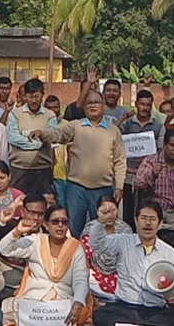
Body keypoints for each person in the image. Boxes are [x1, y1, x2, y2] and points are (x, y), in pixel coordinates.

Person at [27, 90, 126, 237]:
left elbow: (120, 160)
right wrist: (42, 134)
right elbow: (57, 133)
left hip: (103, 189)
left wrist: (119, 186)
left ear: (103, 105)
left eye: (96, 102)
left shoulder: (113, 131)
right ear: (84, 107)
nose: (93, 105)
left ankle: (96, 260)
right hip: (76, 188)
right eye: (89, 103)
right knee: (72, 229)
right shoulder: (75, 126)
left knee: (101, 231)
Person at [87, 200, 174, 326]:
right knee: (100, 315)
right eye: (143, 218)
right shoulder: (123, 241)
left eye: (152, 219)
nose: (147, 223)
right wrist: (101, 221)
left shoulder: (171, 253)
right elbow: (96, 245)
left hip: (155, 309)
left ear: (160, 224)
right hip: (125, 307)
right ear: (136, 221)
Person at [0, 205, 89, 326]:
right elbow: (5, 250)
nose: (60, 225)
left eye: (64, 221)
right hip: (35, 298)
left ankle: (39, 325)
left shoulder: (76, 247)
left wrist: (77, 304)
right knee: (12, 308)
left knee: (81, 313)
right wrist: (17, 232)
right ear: (46, 224)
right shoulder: (35, 241)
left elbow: (81, 280)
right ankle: (47, 325)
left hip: (62, 300)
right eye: (55, 221)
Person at [133, 130, 174, 251]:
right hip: (156, 208)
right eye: (172, 145)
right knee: (145, 222)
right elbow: (138, 183)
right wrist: (152, 175)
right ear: (164, 145)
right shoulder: (151, 160)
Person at [0, 192, 50, 297]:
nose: (36, 217)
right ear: (22, 212)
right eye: (32, 213)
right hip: (3, 288)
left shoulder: (47, 236)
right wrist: (0, 223)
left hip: (33, 290)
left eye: (40, 214)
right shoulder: (9, 227)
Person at [119, 88, 165, 225]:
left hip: (149, 176)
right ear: (136, 104)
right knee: (128, 212)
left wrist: (151, 165)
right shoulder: (126, 124)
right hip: (128, 175)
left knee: (147, 210)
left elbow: (161, 151)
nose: (145, 108)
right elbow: (115, 142)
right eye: (142, 104)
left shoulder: (158, 126)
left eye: (148, 105)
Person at [6, 78, 59, 197]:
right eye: (30, 97)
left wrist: (25, 135)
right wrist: (37, 144)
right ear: (25, 96)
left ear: (42, 95)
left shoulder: (50, 116)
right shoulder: (15, 114)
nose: (33, 100)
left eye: (36, 96)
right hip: (19, 169)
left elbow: (52, 136)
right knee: (17, 202)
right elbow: (12, 137)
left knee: (42, 204)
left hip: (43, 170)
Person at [82, 195, 132, 303]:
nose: (109, 215)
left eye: (113, 210)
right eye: (105, 211)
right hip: (95, 273)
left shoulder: (126, 229)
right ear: (97, 211)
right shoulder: (90, 227)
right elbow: (84, 255)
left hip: (118, 273)